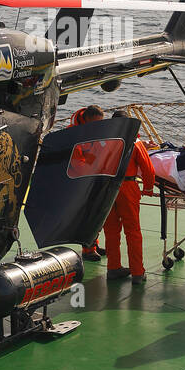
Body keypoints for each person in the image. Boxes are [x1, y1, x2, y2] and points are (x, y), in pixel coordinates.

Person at [103, 113, 156, 284]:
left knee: (111, 231)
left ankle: (113, 268)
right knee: (132, 231)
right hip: (127, 187)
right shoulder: (135, 141)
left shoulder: (103, 141)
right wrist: (148, 188)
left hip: (106, 188)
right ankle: (137, 273)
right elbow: (148, 169)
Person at [69, 105, 107, 262]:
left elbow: (99, 151)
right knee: (87, 215)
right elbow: (77, 162)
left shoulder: (93, 131)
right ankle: (87, 249)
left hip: (94, 176)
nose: (98, 125)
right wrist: (92, 168)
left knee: (96, 213)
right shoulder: (74, 134)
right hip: (81, 181)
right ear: (87, 119)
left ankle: (93, 244)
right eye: (96, 122)